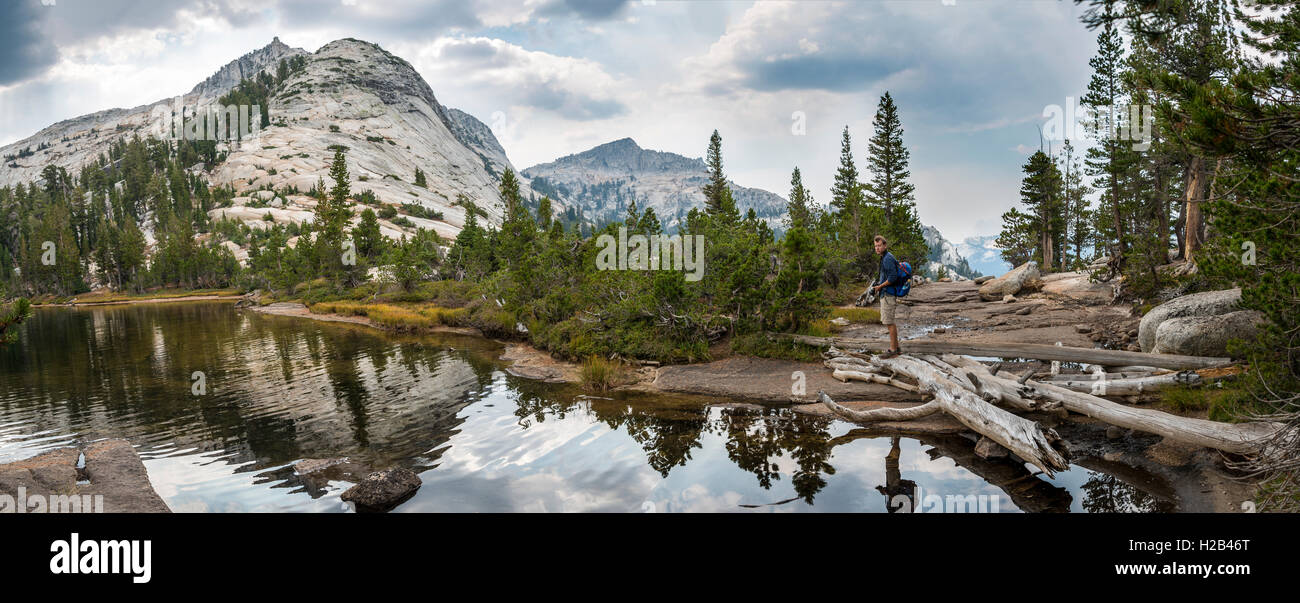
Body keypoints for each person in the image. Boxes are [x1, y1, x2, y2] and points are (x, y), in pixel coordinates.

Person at [870, 235, 902, 358]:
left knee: (889, 322)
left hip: (889, 294)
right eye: (875, 246)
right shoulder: (885, 257)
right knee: (889, 322)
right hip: (887, 293)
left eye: (879, 246)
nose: (877, 248)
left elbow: (893, 278)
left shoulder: (887, 258)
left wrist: (880, 287)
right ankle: (897, 348)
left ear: (885, 245)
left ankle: (893, 350)